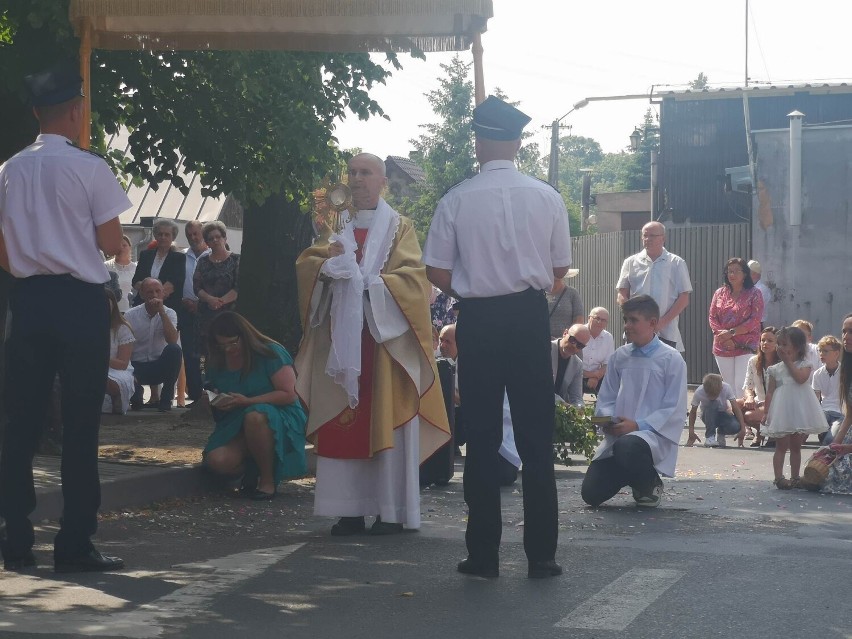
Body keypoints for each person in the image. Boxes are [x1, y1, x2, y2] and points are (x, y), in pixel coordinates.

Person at [424, 95, 571, 579]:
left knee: (483, 436)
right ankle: (542, 556)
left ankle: (484, 554)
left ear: (479, 141)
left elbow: (437, 270)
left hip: (480, 319)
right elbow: (558, 270)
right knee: (535, 434)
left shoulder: (456, 197)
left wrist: (473, 285)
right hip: (529, 318)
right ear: (519, 142)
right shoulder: (547, 196)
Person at [0, 64, 128, 572]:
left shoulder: (8, 169)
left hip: (27, 301)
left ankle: (14, 536)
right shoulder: (89, 167)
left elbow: (3, 252)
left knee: (18, 424)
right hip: (78, 303)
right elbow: (112, 243)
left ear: (35, 112)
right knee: (80, 426)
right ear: (76, 111)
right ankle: (74, 542)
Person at [295, 152, 450, 538]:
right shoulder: (335, 225)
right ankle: (346, 510)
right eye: (353, 172)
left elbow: (415, 281)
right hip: (341, 343)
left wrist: (370, 284)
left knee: (385, 419)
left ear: (383, 181)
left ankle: (389, 511)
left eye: (366, 172)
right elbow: (307, 265)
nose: (358, 178)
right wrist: (326, 270)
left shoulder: (400, 227)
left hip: (384, 345)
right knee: (342, 418)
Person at [581, 295, 687, 509]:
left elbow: (673, 406)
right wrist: (607, 419)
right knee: (590, 495)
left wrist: (638, 425)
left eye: (633, 320)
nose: (627, 326)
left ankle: (649, 482)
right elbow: (607, 396)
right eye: (625, 319)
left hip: (651, 436)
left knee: (629, 445)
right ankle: (632, 474)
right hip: (618, 434)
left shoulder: (671, 359)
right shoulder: (619, 356)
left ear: (653, 323)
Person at [202, 312, 307, 499]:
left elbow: (289, 394)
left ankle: (267, 481)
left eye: (233, 343)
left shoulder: (270, 352)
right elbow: (215, 388)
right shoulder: (217, 359)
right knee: (217, 461)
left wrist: (248, 401)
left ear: (244, 335)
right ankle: (252, 467)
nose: (228, 349)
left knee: (256, 415)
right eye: (222, 345)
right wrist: (214, 399)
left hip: (277, 414)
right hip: (236, 419)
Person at [763, 326, 826, 489]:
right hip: (782, 410)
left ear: (797, 347)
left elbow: (800, 379)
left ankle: (795, 477)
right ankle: (779, 478)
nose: (781, 348)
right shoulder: (774, 369)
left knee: (796, 446)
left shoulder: (806, 364)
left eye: (785, 344)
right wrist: (766, 412)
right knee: (781, 445)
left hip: (798, 410)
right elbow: (769, 392)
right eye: (780, 344)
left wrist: (788, 362)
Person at [616, 221, 691, 352]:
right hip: (636, 330)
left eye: (652, 236)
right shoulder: (630, 262)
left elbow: (684, 298)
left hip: (666, 331)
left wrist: (661, 322)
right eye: (645, 235)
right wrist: (633, 318)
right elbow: (622, 294)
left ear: (663, 238)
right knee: (633, 368)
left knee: (665, 370)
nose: (647, 239)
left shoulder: (676, 263)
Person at [124, 278, 182, 412]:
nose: (154, 295)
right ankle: (136, 393)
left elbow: (172, 340)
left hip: (159, 366)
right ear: (142, 294)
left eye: (158, 291)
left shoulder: (170, 313)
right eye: (150, 292)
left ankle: (165, 399)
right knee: (137, 404)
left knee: (175, 350)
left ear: (163, 293)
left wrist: (161, 313)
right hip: (136, 368)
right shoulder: (130, 315)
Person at [708, 257, 763, 393]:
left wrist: (731, 333)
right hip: (723, 345)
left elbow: (755, 320)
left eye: (736, 271)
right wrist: (724, 336)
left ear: (745, 273)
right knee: (728, 387)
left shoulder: (755, 293)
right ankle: (732, 413)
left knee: (742, 386)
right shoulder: (719, 293)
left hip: (745, 346)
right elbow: (712, 317)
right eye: (729, 271)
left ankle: (743, 414)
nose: (731, 274)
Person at [194, 220, 239, 354]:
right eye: (211, 238)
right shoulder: (203, 261)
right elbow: (197, 287)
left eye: (218, 236)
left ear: (224, 238)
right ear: (206, 242)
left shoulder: (236, 260)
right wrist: (210, 300)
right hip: (206, 315)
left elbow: (238, 287)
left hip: (229, 313)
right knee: (207, 354)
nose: (215, 240)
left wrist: (220, 302)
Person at [819, 314, 852, 494]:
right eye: (844, 331)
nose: (846, 337)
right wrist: (834, 446)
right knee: (824, 467)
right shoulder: (848, 369)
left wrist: (847, 448)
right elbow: (850, 415)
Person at [179, 221, 210, 404]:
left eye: (196, 234)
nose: (193, 238)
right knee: (190, 354)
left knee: (209, 352)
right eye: (189, 234)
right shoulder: (181, 257)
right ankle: (195, 395)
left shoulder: (213, 255)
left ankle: (211, 393)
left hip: (208, 310)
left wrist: (201, 303)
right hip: (186, 310)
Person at [131, 219, 185, 312]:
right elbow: (135, 281)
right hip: (142, 306)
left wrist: (153, 298)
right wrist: (148, 295)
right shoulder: (145, 255)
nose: (163, 237)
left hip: (167, 307)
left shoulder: (179, 258)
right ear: (155, 235)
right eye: (160, 234)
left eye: (167, 234)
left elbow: (173, 284)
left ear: (173, 237)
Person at [737, 326, 778, 447]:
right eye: (762, 340)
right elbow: (748, 385)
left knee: (748, 416)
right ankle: (760, 432)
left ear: (777, 344)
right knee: (734, 406)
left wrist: (765, 403)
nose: (765, 343)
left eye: (770, 341)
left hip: (776, 403)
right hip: (759, 400)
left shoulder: (782, 363)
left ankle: (771, 434)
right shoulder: (753, 361)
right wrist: (749, 397)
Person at [686, 373, 747, 448]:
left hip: (723, 414)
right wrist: (691, 431)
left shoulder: (726, 387)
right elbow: (693, 412)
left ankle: (721, 433)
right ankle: (710, 437)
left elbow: (736, 408)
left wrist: (743, 428)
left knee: (736, 426)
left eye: (715, 394)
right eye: (709, 394)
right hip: (707, 415)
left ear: (721, 388)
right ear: (704, 388)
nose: (712, 397)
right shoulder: (699, 391)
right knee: (713, 403)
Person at [102, 291, 136, 415]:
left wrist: (99, 358)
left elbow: (123, 364)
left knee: (104, 380)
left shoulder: (122, 328)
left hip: (116, 370)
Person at [812, 335, 843, 444]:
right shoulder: (817, 374)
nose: (821, 354)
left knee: (829, 441)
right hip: (824, 412)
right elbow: (816, 399)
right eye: (819, 350)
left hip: (841, 413)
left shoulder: (845, 372)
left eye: (825, 351)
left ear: (836, 353)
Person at [551, 324, 588, 407]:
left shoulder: (577, 364)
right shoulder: (546, 350)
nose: (574, 346)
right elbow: (541, 388)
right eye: (572, 340)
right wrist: (564, 404)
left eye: (580, 345)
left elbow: (576, 397)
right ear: (565, 333)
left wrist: (580, 408)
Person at [582, 307, 614, 394]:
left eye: (603, 320)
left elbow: (608, 364)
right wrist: (591, 375)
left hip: (597, 377)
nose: (600, 322)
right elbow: (571, 363)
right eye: (597, 318)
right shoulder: (579, 333)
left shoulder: (608, 338)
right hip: (576, 375)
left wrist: (596, 377)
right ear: (589, 318)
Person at [547, 269, 583, 339]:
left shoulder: (572, 293)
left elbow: (578, 321)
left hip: (565, 342)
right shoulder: (540, 293)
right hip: (542, 340)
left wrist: (571, 339)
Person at [104, 234, 137, 312]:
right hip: (111, 310)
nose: (121, 248)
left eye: (124, 245)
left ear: (130, 247)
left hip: (131, 310)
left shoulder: (137, 268)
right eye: (118, 246)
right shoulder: (105, 266)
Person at [747, 259, 770, 328]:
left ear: (755, 274)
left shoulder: (761, 289)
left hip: (755, 325)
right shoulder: (749, 288)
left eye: (748, 273)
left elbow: (751, 309)